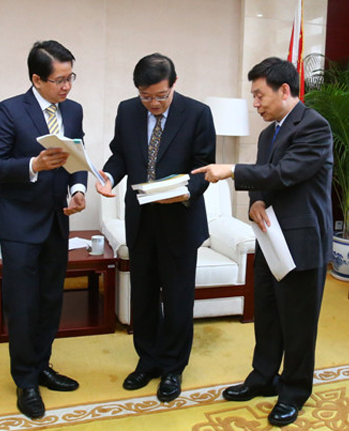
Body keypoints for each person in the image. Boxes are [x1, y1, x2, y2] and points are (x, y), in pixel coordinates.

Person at [192, 57, 333, 427]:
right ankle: (263, 378)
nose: (256, 103)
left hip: (302, 242)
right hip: (271, 238)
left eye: (259, 95)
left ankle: (294, 391)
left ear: (284, 90)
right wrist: (255, 199)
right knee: (268, 315)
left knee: (299, 323)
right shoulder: (269, 133)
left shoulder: (314, 126)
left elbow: (287, 172)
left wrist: (231, 171)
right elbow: (265, 180)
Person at [96, 53, 215, 402]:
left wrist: (182, 193)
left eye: (160, 96)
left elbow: (203, 166)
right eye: (146, 97)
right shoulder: (128, 110)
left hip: (179, 218)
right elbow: (120, 154)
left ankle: (173, 368)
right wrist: (108, 176)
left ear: (173, 85)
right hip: (141, 219)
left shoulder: (197, 114)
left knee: (178, 298)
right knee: (143, 294)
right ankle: (147, 360)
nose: (153, 104)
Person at [0, 40, 87, 420]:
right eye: (60, 79)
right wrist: (33, 165)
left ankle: (42, 365)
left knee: (49, 300)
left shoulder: (72, 111)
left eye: (71, 77)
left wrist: (77, 188)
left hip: (58, 219)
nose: (67, 86)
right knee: (23, 305)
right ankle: (25, 380)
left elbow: (77, 156)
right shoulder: (9, 110)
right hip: (19, 223)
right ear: (36, 79)